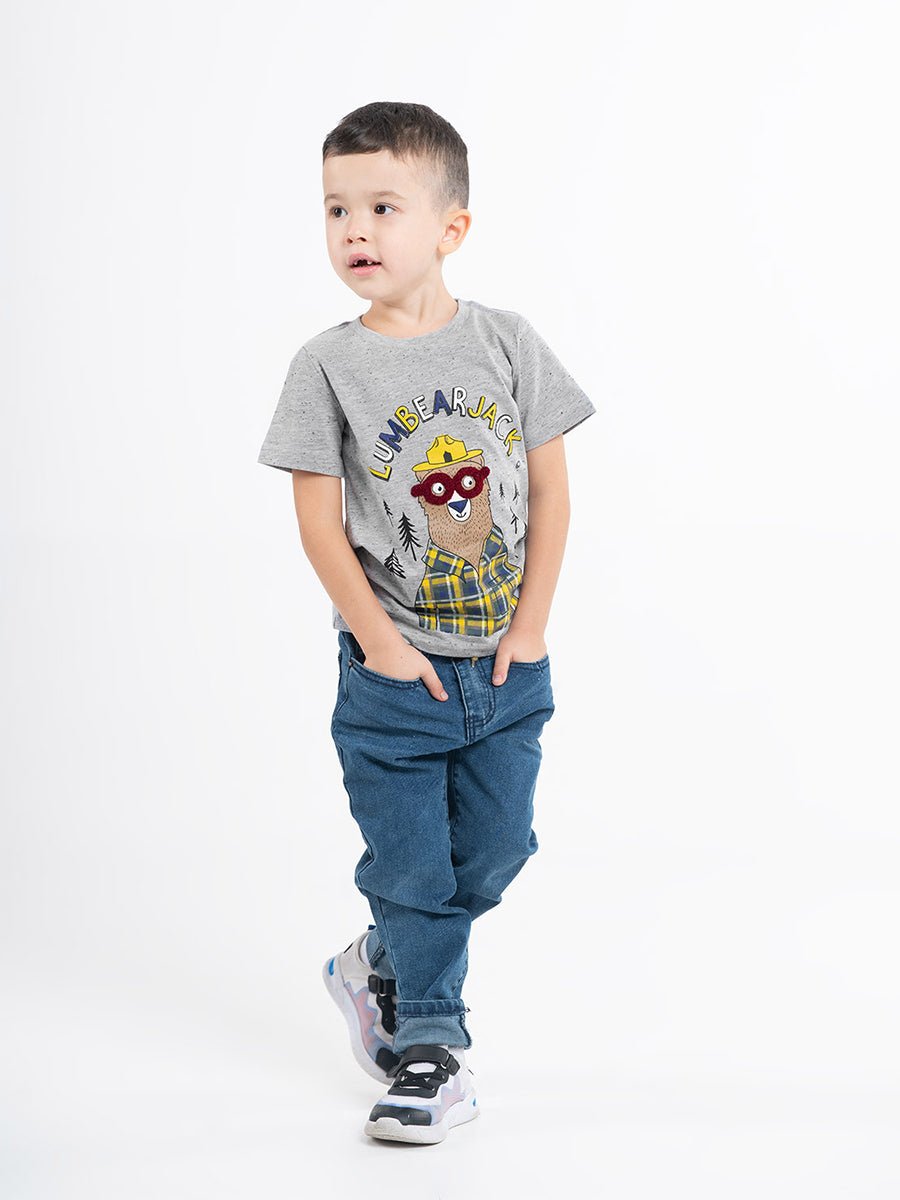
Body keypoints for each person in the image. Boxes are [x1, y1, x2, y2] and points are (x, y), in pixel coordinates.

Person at [257, 100, 596, 1145]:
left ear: (452, 228)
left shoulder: (508, 342)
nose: (354, 230)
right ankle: (431, 1053)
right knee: (412, 869)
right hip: (392, 675)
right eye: (336, 210)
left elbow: (552, 491)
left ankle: (381, 961)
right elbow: (318, 523)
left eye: (382, 207)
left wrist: (531, 628)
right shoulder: (326, 366)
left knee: (496, 851)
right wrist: (381, 644)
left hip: (504, 667)